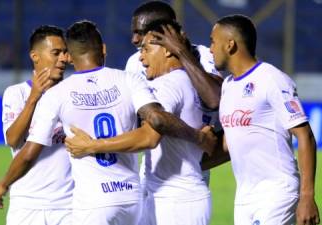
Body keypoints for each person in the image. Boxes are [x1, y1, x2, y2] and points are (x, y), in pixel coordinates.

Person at [0, 20, 215, 225]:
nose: (141, 57)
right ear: (104, 49)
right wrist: (198, 137)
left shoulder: (60, 93)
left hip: (91, 203)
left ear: (71, 56)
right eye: (56, 53)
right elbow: (152, 127)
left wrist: (3, 183)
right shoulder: (130, 80)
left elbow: (30, 151)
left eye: (63, 53)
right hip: (131, 198)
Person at [65, 19, 214, 225]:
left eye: (146, 49)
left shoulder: (168, 85)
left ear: (168, 51)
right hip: (179, 195)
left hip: (175, 201)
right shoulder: (190, 82)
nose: (141, 58)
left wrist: (92, 146)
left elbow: (149, 136)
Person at [208, 15, 320, 225]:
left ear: (230, 45)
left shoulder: (271, 79)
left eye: (213, 41)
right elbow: (230, 143)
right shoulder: (228, 85)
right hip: (244, 196)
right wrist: (195, 164)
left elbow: (305, 136)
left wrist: (307, 197)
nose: (210, 49)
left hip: (277, 191)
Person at [126, 0, 226, 187]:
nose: (134, 40)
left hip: (192, 169)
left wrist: (180, 52)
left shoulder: (202, 56)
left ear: (166, 30)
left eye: (140, 32)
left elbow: (215, 99)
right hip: (152, 167)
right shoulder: (135, 62)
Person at [0, 25, 73, 225]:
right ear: (35, 56)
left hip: (68, 205)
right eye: (56, 53)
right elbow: (13, 139)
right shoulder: (16, 93)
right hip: (26, 206)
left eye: (65, 52)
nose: (63, 58)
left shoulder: (73, 93)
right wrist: (34, 98)